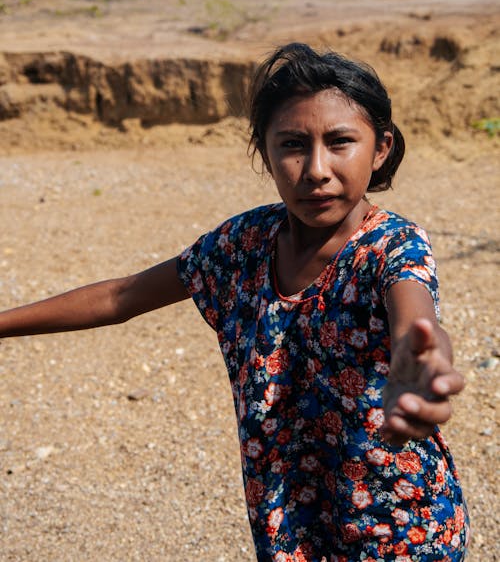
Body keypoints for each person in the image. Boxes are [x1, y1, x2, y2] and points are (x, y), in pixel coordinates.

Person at [0, 43, 469, 561]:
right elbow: (121, 295)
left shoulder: (391, 247)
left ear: (379, 149)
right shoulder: (244, 244)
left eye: (340, 142)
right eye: (292, 144)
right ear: (263, 151)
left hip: (401, 532)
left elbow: (416, 321)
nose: (315, 168)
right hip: (291, 523)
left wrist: (422, 364)